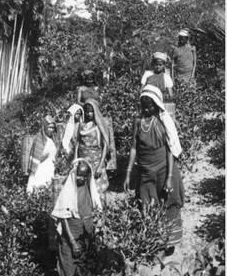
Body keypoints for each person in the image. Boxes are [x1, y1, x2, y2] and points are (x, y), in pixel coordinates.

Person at [123, 85, 185, 250]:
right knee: (147, 203)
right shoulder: (138, 122)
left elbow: (171, 150)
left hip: (164, 169)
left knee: (168, 203)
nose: (147, 109)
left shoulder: (162, 121)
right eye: (144, 106)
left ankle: (171, 242)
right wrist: (128, 172)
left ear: (157, 105)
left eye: (150, 106)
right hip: (145, 170)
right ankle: (154, 241)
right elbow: (134, 147)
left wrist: (170, 177)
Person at [51, 159, 102, 276]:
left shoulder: (89, 189)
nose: (81, 179)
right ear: (74, 174)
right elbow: (63, 218)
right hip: (71, 237)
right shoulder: (69, 191)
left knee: (82, 270)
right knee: (67, 271)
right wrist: (73, 242)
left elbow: (96, 210)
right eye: (79, 175)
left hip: (86, 235)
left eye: (84, 176)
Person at [74, 99, 111, 200]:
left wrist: (100, 165)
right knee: (84, 190)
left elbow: (105, 146)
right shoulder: (81, 126)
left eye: (91, 111)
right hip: (83, 164)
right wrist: (75, 161)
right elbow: (78, 143)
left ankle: (100, 214)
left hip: (96, 163)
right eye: (86, 111)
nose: (89, 114)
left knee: (98, 191)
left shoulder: (99, 127)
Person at [26, 115, 58, 194]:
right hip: (40, 170)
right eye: (49, 127)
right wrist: (45, 155)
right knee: (38, 188)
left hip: (50, 168)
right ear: (45, 127)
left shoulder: (53, 139)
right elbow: (36, 157)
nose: (51, 130)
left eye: (52, 128)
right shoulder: (39, 139)